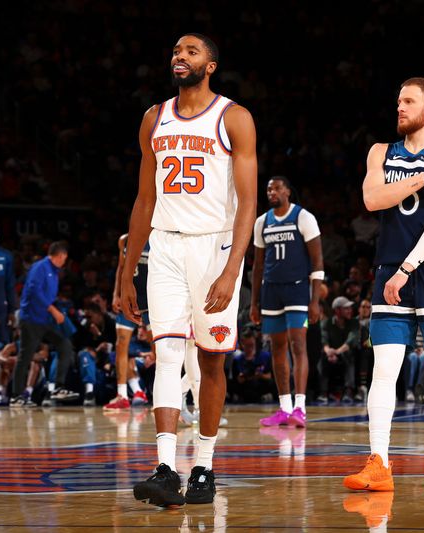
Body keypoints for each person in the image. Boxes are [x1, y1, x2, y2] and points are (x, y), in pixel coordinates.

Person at [121, 33, 257, 507]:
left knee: (212, 359)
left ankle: (204, 466)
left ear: (211, 65)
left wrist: (230, 269)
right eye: (176, 51)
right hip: (165, 246)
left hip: (215, 249)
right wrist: (126, 270)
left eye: (191, 51)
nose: (180, 56)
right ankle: (164, 468)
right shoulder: (153, 118)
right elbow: (144, 200)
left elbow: (247, 206)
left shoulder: (234, 118)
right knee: (168, 353)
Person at [344, 77, 424, 492]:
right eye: (398, 101)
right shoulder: (381, 151)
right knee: (384, 370)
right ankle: (379, 462)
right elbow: (372, 200)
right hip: (388, 270)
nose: (400, 107)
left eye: (409, 101)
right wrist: (423, 180)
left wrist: (409, 268)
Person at [250, 175, 323, 428]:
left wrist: (315, 301)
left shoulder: (303, 217)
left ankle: (300, 408)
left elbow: (317, 263)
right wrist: (254, 303)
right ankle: (284, 407)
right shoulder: (262, 222)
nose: (272, 192)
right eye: (269, 189)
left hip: (297, 290)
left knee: (298, 345)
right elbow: (258, 266)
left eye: (277, 188)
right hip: (271, 291)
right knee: (277, 348)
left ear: (288, 191)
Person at [10, 242, 78, 407]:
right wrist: (53, 310)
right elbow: (34, 290)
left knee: (65, 345)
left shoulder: (54, 271)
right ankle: (16, 396)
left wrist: (55, 309)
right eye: (64, 258)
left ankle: (58, 387)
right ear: (60, 255)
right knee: (25, 356)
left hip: (45, 320)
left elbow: (47, 294)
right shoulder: (40, 267)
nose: (64, 262)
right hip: (32, 319)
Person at [104, 233, 150, 410]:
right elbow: (121, 268)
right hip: (128, 300)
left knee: (158, 350)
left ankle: (163, 396)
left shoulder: (157, 237)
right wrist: (116, 294)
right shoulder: (124, 240)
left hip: (151, 301)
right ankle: (122, 395)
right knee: (121, 344)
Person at [317, 296, 361, 404]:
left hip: (345, 354)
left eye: (350, 308)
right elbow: (324, 341)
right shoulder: (326, 323)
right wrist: (329, 352)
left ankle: (348, 391)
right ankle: (323, 392)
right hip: (331, 356)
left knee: (349, 354)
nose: (350, 310)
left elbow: (351, 341)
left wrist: (337, 352)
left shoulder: (354, 322)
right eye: (346, 308)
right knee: (322, 357)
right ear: (337, 310)